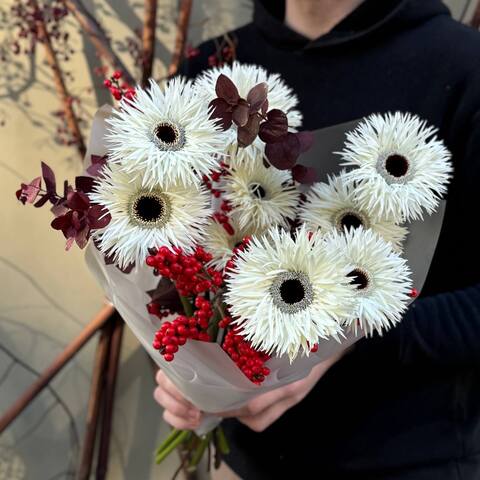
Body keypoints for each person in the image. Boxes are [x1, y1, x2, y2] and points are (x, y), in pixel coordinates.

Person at [154, 1, 480, 478]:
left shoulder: (462, 67)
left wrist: (348, 337)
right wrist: (193, 375)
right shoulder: (211, 72)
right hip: (246, 463)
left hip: (409, 459)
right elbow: (171, 264)